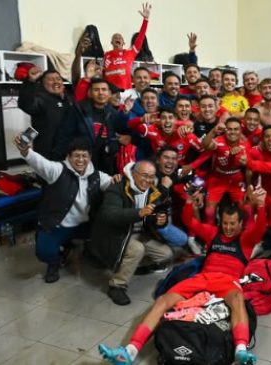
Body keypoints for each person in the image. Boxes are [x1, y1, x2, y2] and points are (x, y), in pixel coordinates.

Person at [98, 185, 268, 365]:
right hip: (202, 279)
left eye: (232, 223)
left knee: (238, 300)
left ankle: (240, 350)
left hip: (227, 282)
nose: (228, 227)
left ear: (241, 224)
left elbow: (261, 228)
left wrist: (261, 206)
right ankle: (129, 352)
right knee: (163, 300)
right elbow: (189, 221)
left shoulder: (246, 239)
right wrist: (189, 202)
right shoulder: (213, 233)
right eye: (225, 222)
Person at [15, 136, 115, 283]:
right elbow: (39, 163)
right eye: (76, 156)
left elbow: (114, 184)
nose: (80, 160)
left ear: (90, 157)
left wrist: (121, 179)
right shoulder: (57, 170)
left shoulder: (97, 176)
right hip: (57, 225)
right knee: (44, 252)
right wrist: (26, 150)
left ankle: (86, 251)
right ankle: (54, 262)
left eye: (84, 156)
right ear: (69, 156)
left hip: (84, 225)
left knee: (107, 232)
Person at [91, 160, 174, 305]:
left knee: (165, 253)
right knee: (137, 249)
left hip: (139, 233)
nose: (148, 180)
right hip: (116, 235)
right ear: (133, 174)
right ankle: (117, 286)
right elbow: (109, 215)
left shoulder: (154, 192)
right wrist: (138, 213)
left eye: (151, 177)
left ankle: (134, 266)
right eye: (144, 175)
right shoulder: (117, 188)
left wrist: (161, 221)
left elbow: (155, 216)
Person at [54, 78, 128, 175]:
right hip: (80, 164)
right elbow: (64, 137)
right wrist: (58, 162)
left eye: (104, 89)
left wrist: (126, 114)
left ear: (109, 93)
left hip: (104, 166)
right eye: (96, 90)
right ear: (90, 93)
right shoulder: (77, 110)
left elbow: (124, 132)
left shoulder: (114, 113)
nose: (100, 93)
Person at [185, 118, 250, 224]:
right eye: (229, 129)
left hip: (236, 180)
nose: (232, 132)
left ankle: (241, 233)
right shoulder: (219, 141)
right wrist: (213, 131)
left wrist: (249, 187)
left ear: (240, 131)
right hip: (217, 179)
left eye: (236, 129)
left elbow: (248, 168)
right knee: (209, 211)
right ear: (225, 130)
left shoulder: (245, 145)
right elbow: (205, 145)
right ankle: (209, 235)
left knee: (244, 208)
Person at [18, 67, 72, 160]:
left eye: (58, 79)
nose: (56, 81)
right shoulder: (41, 100)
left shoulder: (69, 100)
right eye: (51, 79)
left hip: (68, 154)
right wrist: (30, 81)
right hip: (47, 155)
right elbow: (25, 104)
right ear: (43, 85)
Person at [102, 2, 151, 91]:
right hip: (110, 93)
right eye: (115, 37)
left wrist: (145, 20)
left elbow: (140, 37)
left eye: (120, 38)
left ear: (123, 43)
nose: (117, 38)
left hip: (125, 92)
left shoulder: (129, 53)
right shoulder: (107, 55)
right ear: (111, 42)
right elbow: (104, 73)